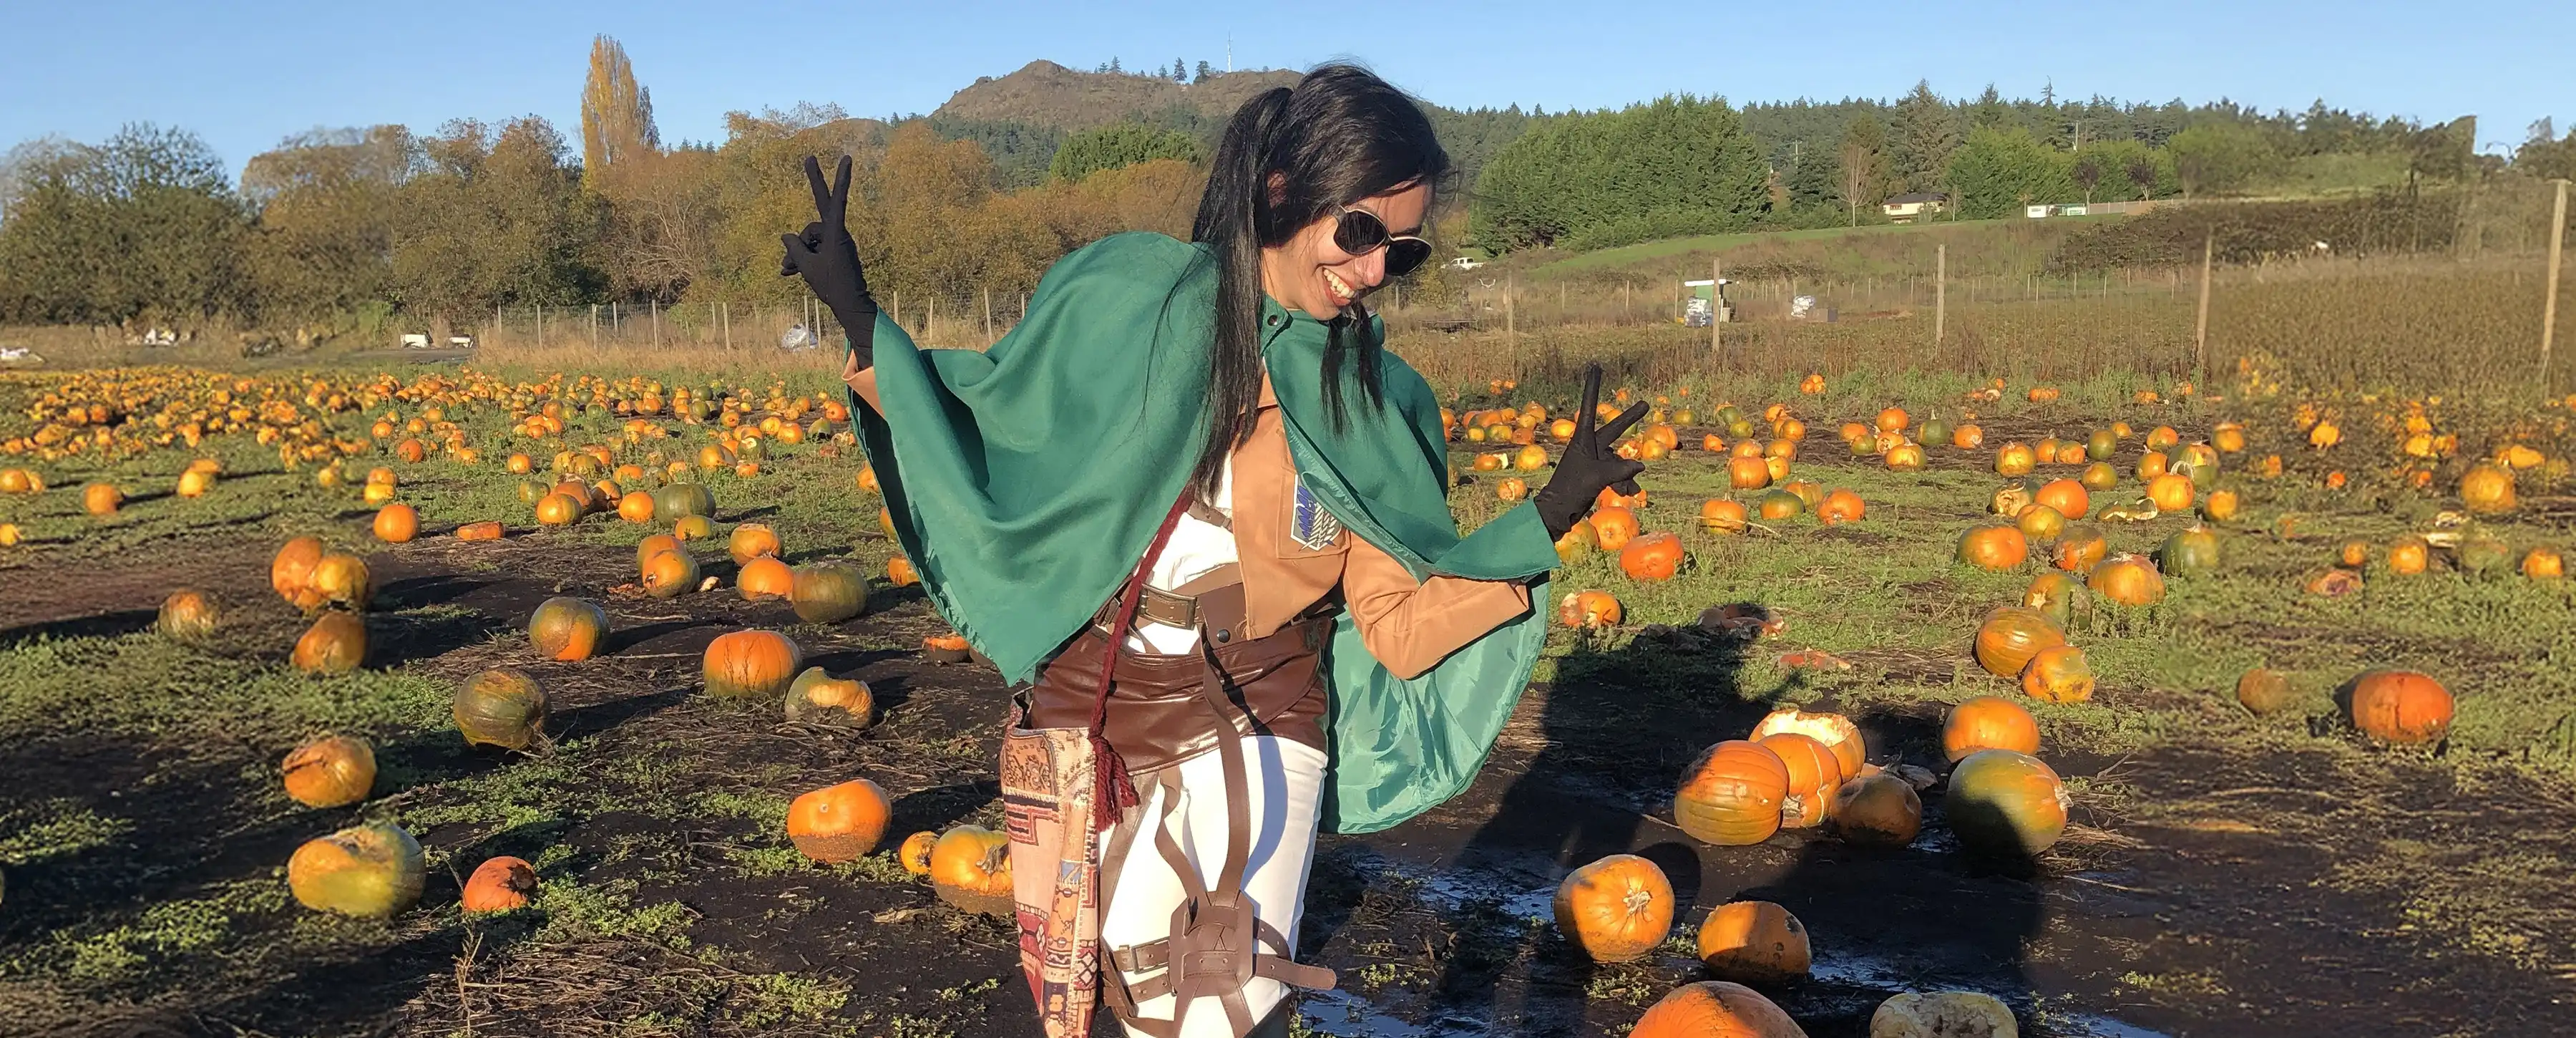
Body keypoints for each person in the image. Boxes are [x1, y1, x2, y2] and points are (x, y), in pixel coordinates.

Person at [781, 64, 1645, 1038]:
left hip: (1258, 711)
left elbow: (1399, 628)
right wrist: (861, 320)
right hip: (1090, 703)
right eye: (1360, 231)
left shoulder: (1374, 401)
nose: (1371, 271)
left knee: (1221, 1002)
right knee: (1077, 998)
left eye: (1400, 253)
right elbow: (991, 427)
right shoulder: (1134, 303)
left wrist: (1547, 517)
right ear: (1284, 191)